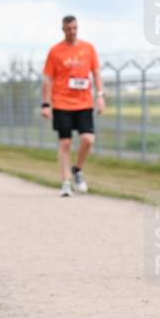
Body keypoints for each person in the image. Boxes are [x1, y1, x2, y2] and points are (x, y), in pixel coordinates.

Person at [40, 15, 104, 197]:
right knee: (65, 143)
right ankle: (66, 182)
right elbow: (47, 79)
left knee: (88, 139)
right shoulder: (55, 51)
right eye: (68, 29)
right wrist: (46, 104)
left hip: (84, 102)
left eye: (75, 28)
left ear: (78, 27)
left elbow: (97, 73)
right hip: (61, 102)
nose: (72, 31)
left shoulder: (88, 48)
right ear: (63, 29)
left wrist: (100, 96)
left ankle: (77, 169)